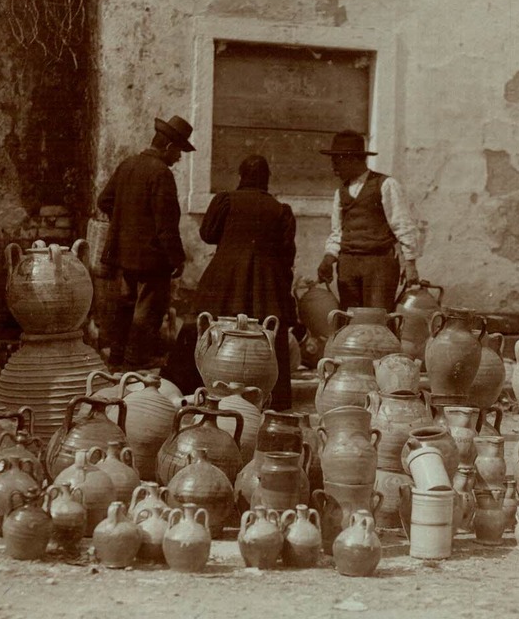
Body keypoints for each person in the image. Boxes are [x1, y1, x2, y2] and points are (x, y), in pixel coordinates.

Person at [195, 154, 298, 409]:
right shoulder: (280, 209)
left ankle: (210, 388)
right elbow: (288, 254)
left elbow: (207, 234)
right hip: (266, 284)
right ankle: (274, 399)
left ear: (241, 176)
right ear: (266, 179)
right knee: (268, 336)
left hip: (226, 279)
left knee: (217, 331)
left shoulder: (226, 201)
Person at [97, 115, 194, 369]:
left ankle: (116, 359)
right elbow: (166, 226)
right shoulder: (161, 174)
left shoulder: (128, 165)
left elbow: (104, 201)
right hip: (151, 259)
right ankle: (134, 363)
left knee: (126, 306)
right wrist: (177, 259)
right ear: (169, 147)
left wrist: (126, 220)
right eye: (180, 152)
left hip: (123, 255)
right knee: (147, 312)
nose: (179, 158)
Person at [316, 129, 421, 312]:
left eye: (337, 162)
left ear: (352, 159)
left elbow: (403, 225)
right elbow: (337, 232)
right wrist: (328, 259)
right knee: (350, 323)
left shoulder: (386, 185)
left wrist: (410, 263)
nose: (334, 169)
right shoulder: (340, 193)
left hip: (379, 265)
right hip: (348, 265)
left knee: (377, 320)